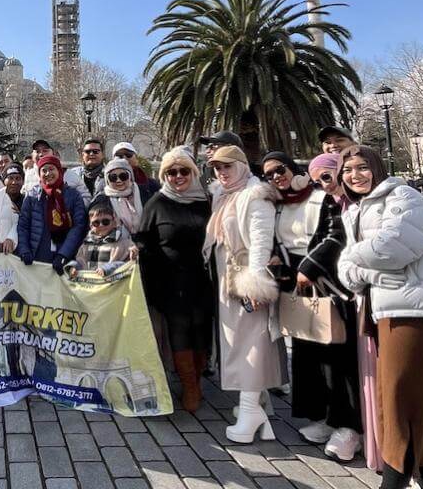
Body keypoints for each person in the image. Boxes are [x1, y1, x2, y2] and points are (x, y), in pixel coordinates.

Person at [336, 145, 423, 489]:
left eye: (362, 167)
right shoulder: (358, 210)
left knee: (398, 399)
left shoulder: (403, 195)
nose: (355, 175)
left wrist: (353, 260)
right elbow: (352, 270)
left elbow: (391, 249)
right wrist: (358, 267)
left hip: (419, 309)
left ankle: (392, 482)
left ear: (376, 167)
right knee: (420, 400)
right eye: (348, 171)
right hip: (391, 308)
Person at [263, 151, 362, 461]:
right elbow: (280, 241)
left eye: (280, 169)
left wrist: (310, 265)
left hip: (326, 283)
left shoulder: (323, 198)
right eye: (269, 174)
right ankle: (323, 416)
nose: (276, 176)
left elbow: (337, 234)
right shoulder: (278, 206)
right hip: (297, 285)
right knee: (308, 353)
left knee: (337, 355)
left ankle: (349, 426)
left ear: (294, 169)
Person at [203, 145, 286, 443]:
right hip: (228, 278)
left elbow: (262, 241)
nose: (222, 173)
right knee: (238, 342)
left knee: (253, 343)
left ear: (240, 165)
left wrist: (256, 278)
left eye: (227, 166)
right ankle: (257, 409)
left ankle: (252, 411)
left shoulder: (255, 194)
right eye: (217, 168)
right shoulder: (224, 195)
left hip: (247, 278)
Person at [138, 148, 212, 413]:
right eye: (171, 172)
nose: (178, 176)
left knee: (202, 330)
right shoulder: (157, 203)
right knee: (180, 330)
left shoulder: (207, 200)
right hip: (169, 281)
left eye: (183, 171)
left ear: (193, 172)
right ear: (164, 175)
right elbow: (143, 241)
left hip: (203, 279)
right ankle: (189, 385)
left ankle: (199, 378)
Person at [17, 155, 87, 273]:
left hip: (63, 258)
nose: (48, 173)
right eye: (44, 170)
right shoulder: (32, 196)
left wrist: (64, 254)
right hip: (37, 257)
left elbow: (78, 227)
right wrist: (24, 250)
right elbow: (23, 225)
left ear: (59, 171)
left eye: (51, 169)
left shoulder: (73, 196)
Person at [66, 196, 137, 277]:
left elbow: (128, 264)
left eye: (105, 221)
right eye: (96, 223)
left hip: (114, 286)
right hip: (91, 286)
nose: (101, 225)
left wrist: (108, 268)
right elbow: (80, 262)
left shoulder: (125, 243)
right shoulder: (85, 245)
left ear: (114, 223)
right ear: (91, 226)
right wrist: (73, 267)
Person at [103, 158, 147, 235]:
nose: (118, 180)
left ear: (130, 177)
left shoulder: (144, 192)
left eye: (123, 176)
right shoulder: (102, 199)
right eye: (113, 177)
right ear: (107, 180)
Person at [65, 137, 107, 203]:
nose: (91, 154)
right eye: (87, 151)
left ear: (102, 154)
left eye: (95, 151)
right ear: (82, 155)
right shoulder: (72, 174)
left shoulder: (111, 174)